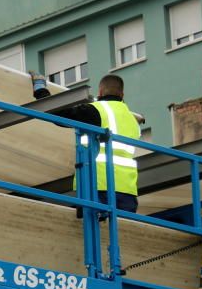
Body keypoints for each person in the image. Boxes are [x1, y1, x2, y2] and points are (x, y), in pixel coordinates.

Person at [29, 72, 140, 213]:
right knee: (122, 232)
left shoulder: (97, 111)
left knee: (92, 229)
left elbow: (59, 114)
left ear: (99, 92)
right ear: (122, 95)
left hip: (96, 184)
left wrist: (40, 89)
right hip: (127, 190)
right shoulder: (133, 120)